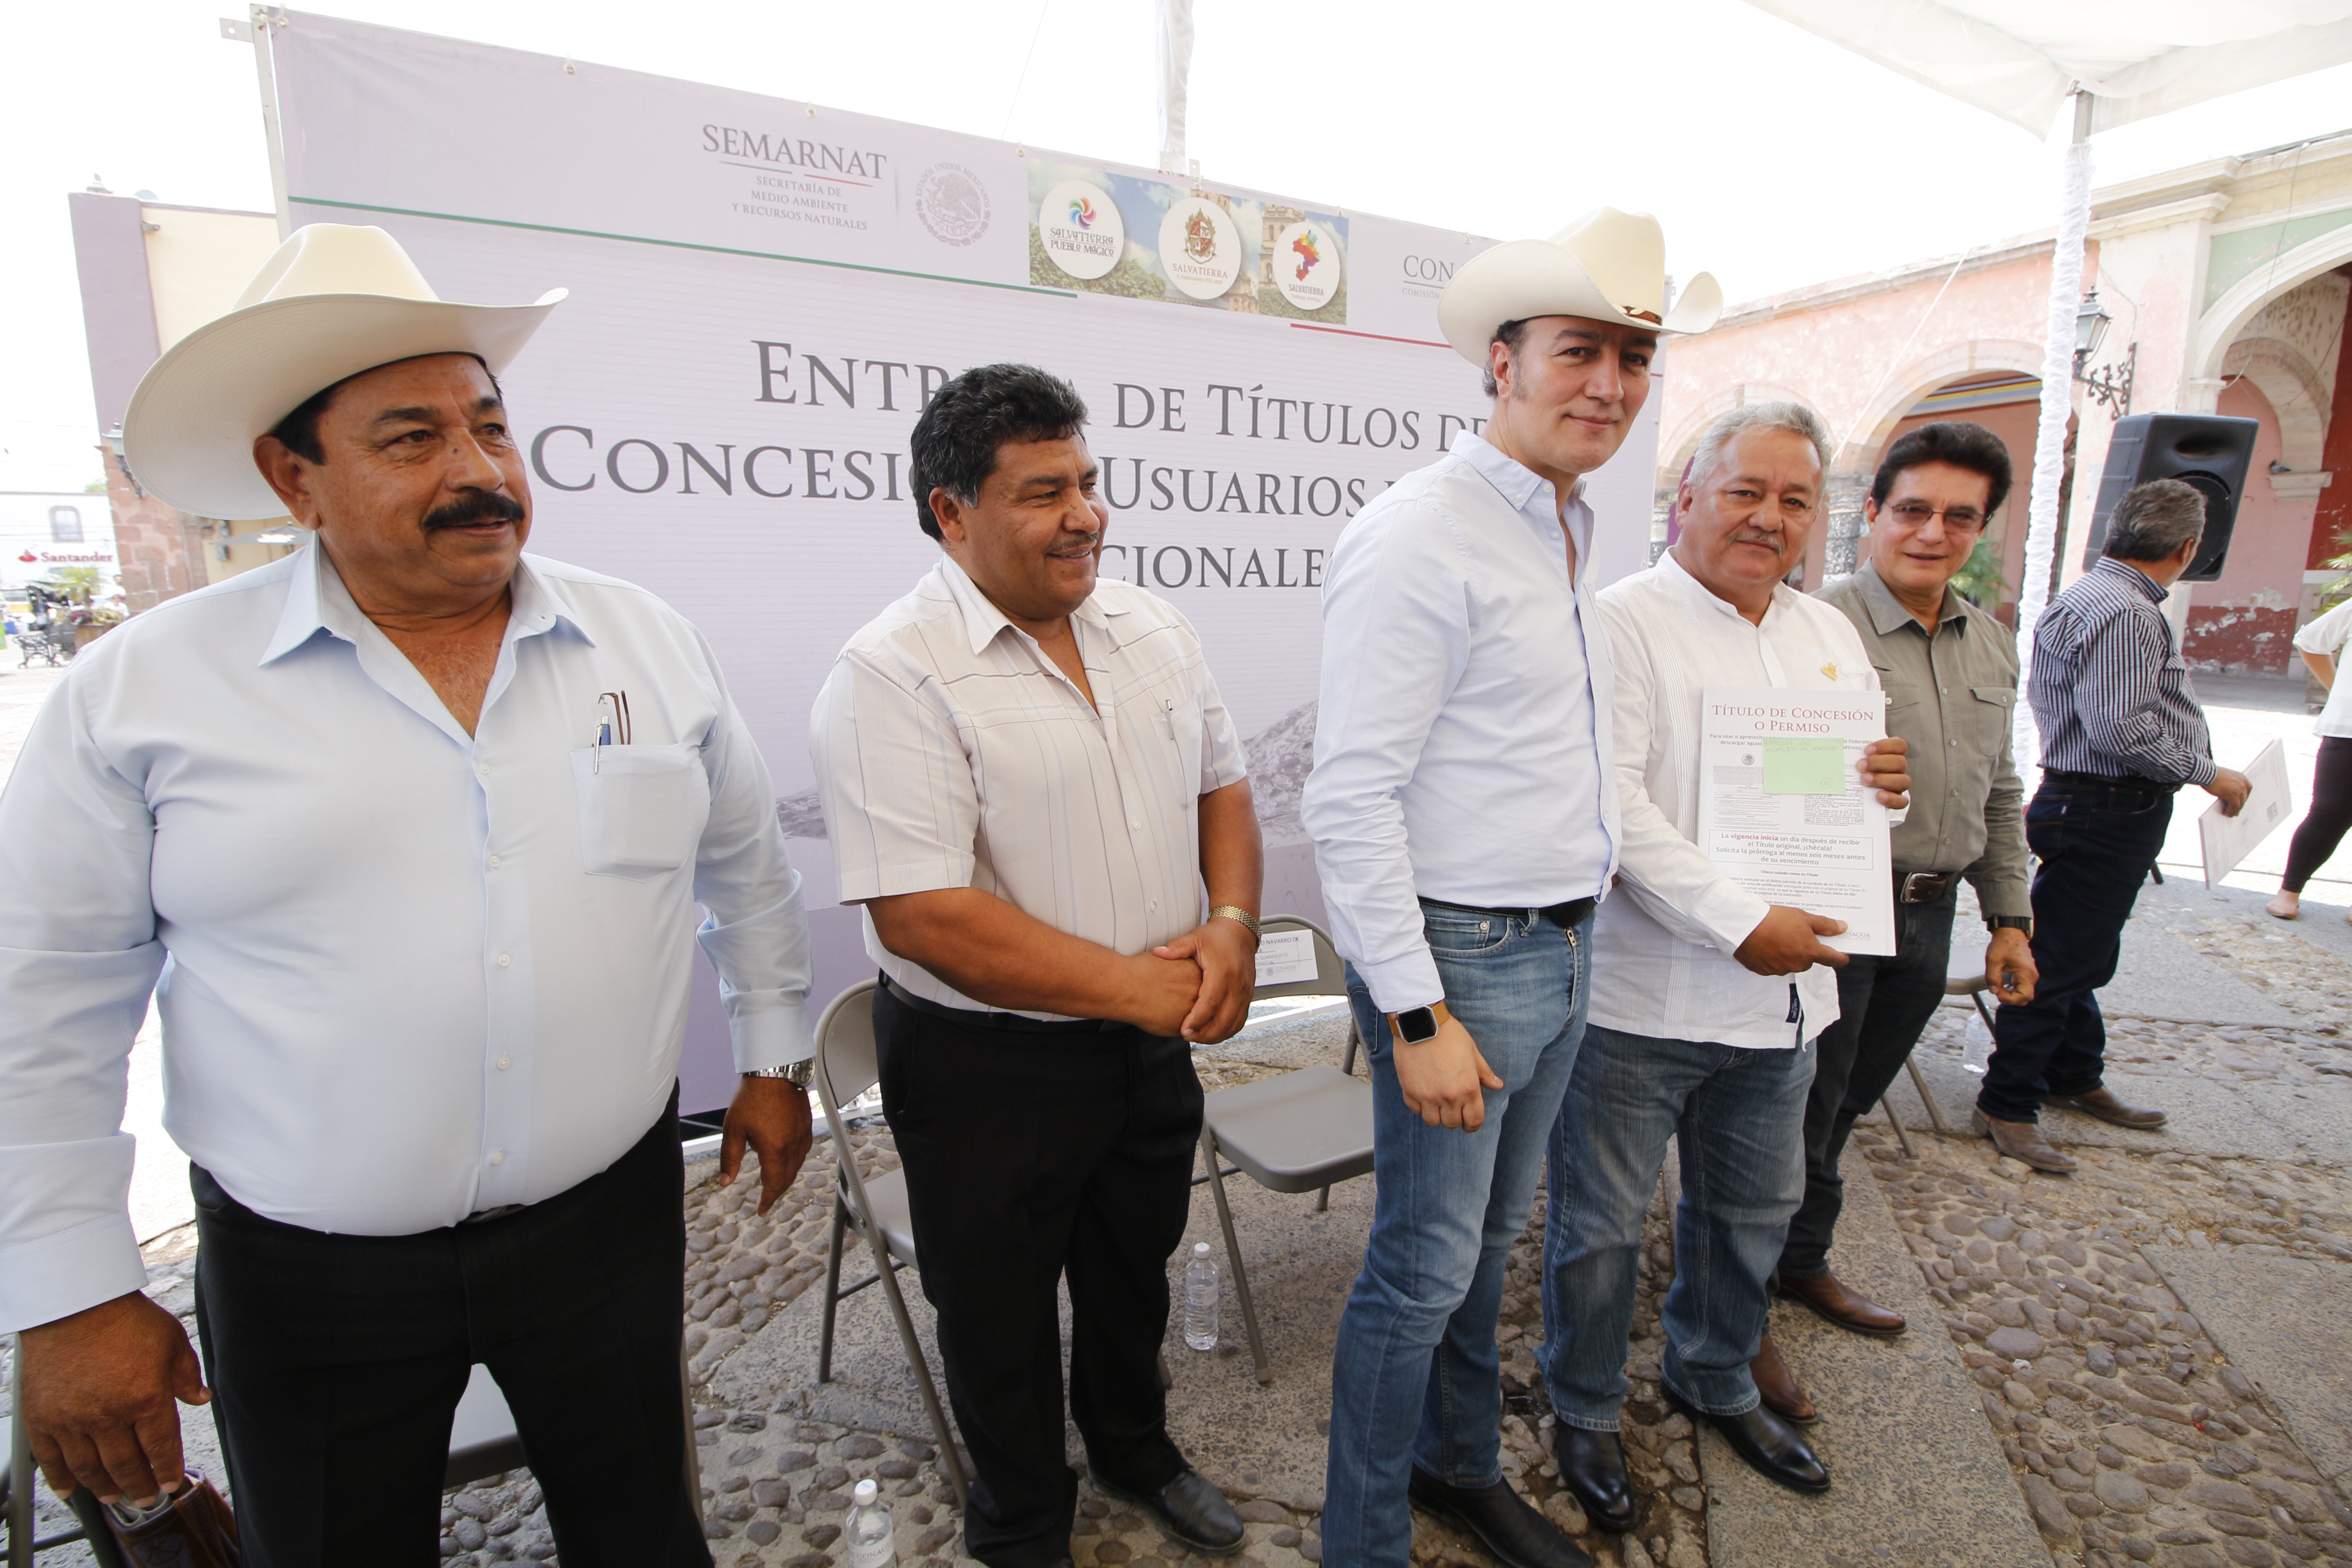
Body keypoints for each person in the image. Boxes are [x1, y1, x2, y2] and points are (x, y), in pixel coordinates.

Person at [0, 225, 816, 1566]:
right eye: (411, 439)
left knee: (642, 1534)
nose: (480, 473)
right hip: (306, 1273)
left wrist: (777, 1052)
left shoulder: (645, 640)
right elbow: (42, 1006)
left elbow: (744, 862)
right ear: (292, 475)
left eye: (490, 427)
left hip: (604, 1227)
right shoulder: (141, 694)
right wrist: (73, 1287)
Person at [1303, 208, 1723, 1568]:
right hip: (1464, 960)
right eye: (1578, 351)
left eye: (1633, 358)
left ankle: (1460, 1467)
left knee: (1485, 1253)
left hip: (1558, 945)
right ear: (1502, 360)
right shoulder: (1421, 533)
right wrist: (1419, 1016)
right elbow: (1348, 797)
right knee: (1420, 1270)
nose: (1609, 383)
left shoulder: (1564, 522)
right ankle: (1361, 1540)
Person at [809, 363, 1256, 1568]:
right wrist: (1144, 990)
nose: (1087, 515)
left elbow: (1224, 783)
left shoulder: (1153, 627)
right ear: (952, 512)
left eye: (1091, 482)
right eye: (1044, 491)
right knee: (996, 1318)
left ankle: (1136, 1449)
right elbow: (924, 917)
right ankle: (1021, 1522)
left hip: (1146, 1043)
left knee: (1132, 1273)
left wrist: (1231, 927)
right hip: (983, 1068)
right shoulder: (890, 673)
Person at [1542, 402, 1914, 1503]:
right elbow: (1612, 810)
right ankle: (1583, 1406)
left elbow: (1844, 805)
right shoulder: (1614, 621)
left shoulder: (1824, 631)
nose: (1768, 516)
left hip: (1784, 1005)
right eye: (1744, 490)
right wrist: (1738, 918)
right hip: (1639, 1001)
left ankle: (1713, 1375)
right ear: (1685, 500)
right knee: (1598, 1231)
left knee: (1751, 1214)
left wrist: (1880, 792)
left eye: (1794, 498)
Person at [1769, 422, 2040, 1401]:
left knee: (1844, 1109)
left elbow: (1999, 788)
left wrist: (2010, 917)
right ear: (1872, 513)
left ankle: (1800, 1258)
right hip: (1836, 915)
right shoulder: (1804, 625)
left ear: (1979, 530)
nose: (1933, 532)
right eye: (1914, 509)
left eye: (1958, 517)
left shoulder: (1992, 643)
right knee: (1795, 1110)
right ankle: (1743, 1304)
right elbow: (1759, 769)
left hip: (1930, 917)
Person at [1979, 478, 2251, 1171]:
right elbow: (2120, 728)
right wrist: (2208, 770)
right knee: (2064, 959)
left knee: (2083, 952)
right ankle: (2007, 1100)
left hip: (2085, 798)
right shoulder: (2129, 611)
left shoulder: (2088, 595)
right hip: (2105, 801)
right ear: (2188, 548)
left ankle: (2074, 1073)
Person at [2267, 591, 2352, 922]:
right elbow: (2311, 640)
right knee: (2329, 813)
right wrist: (2337, 690)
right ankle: (2289, 891)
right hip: (2348, 729)